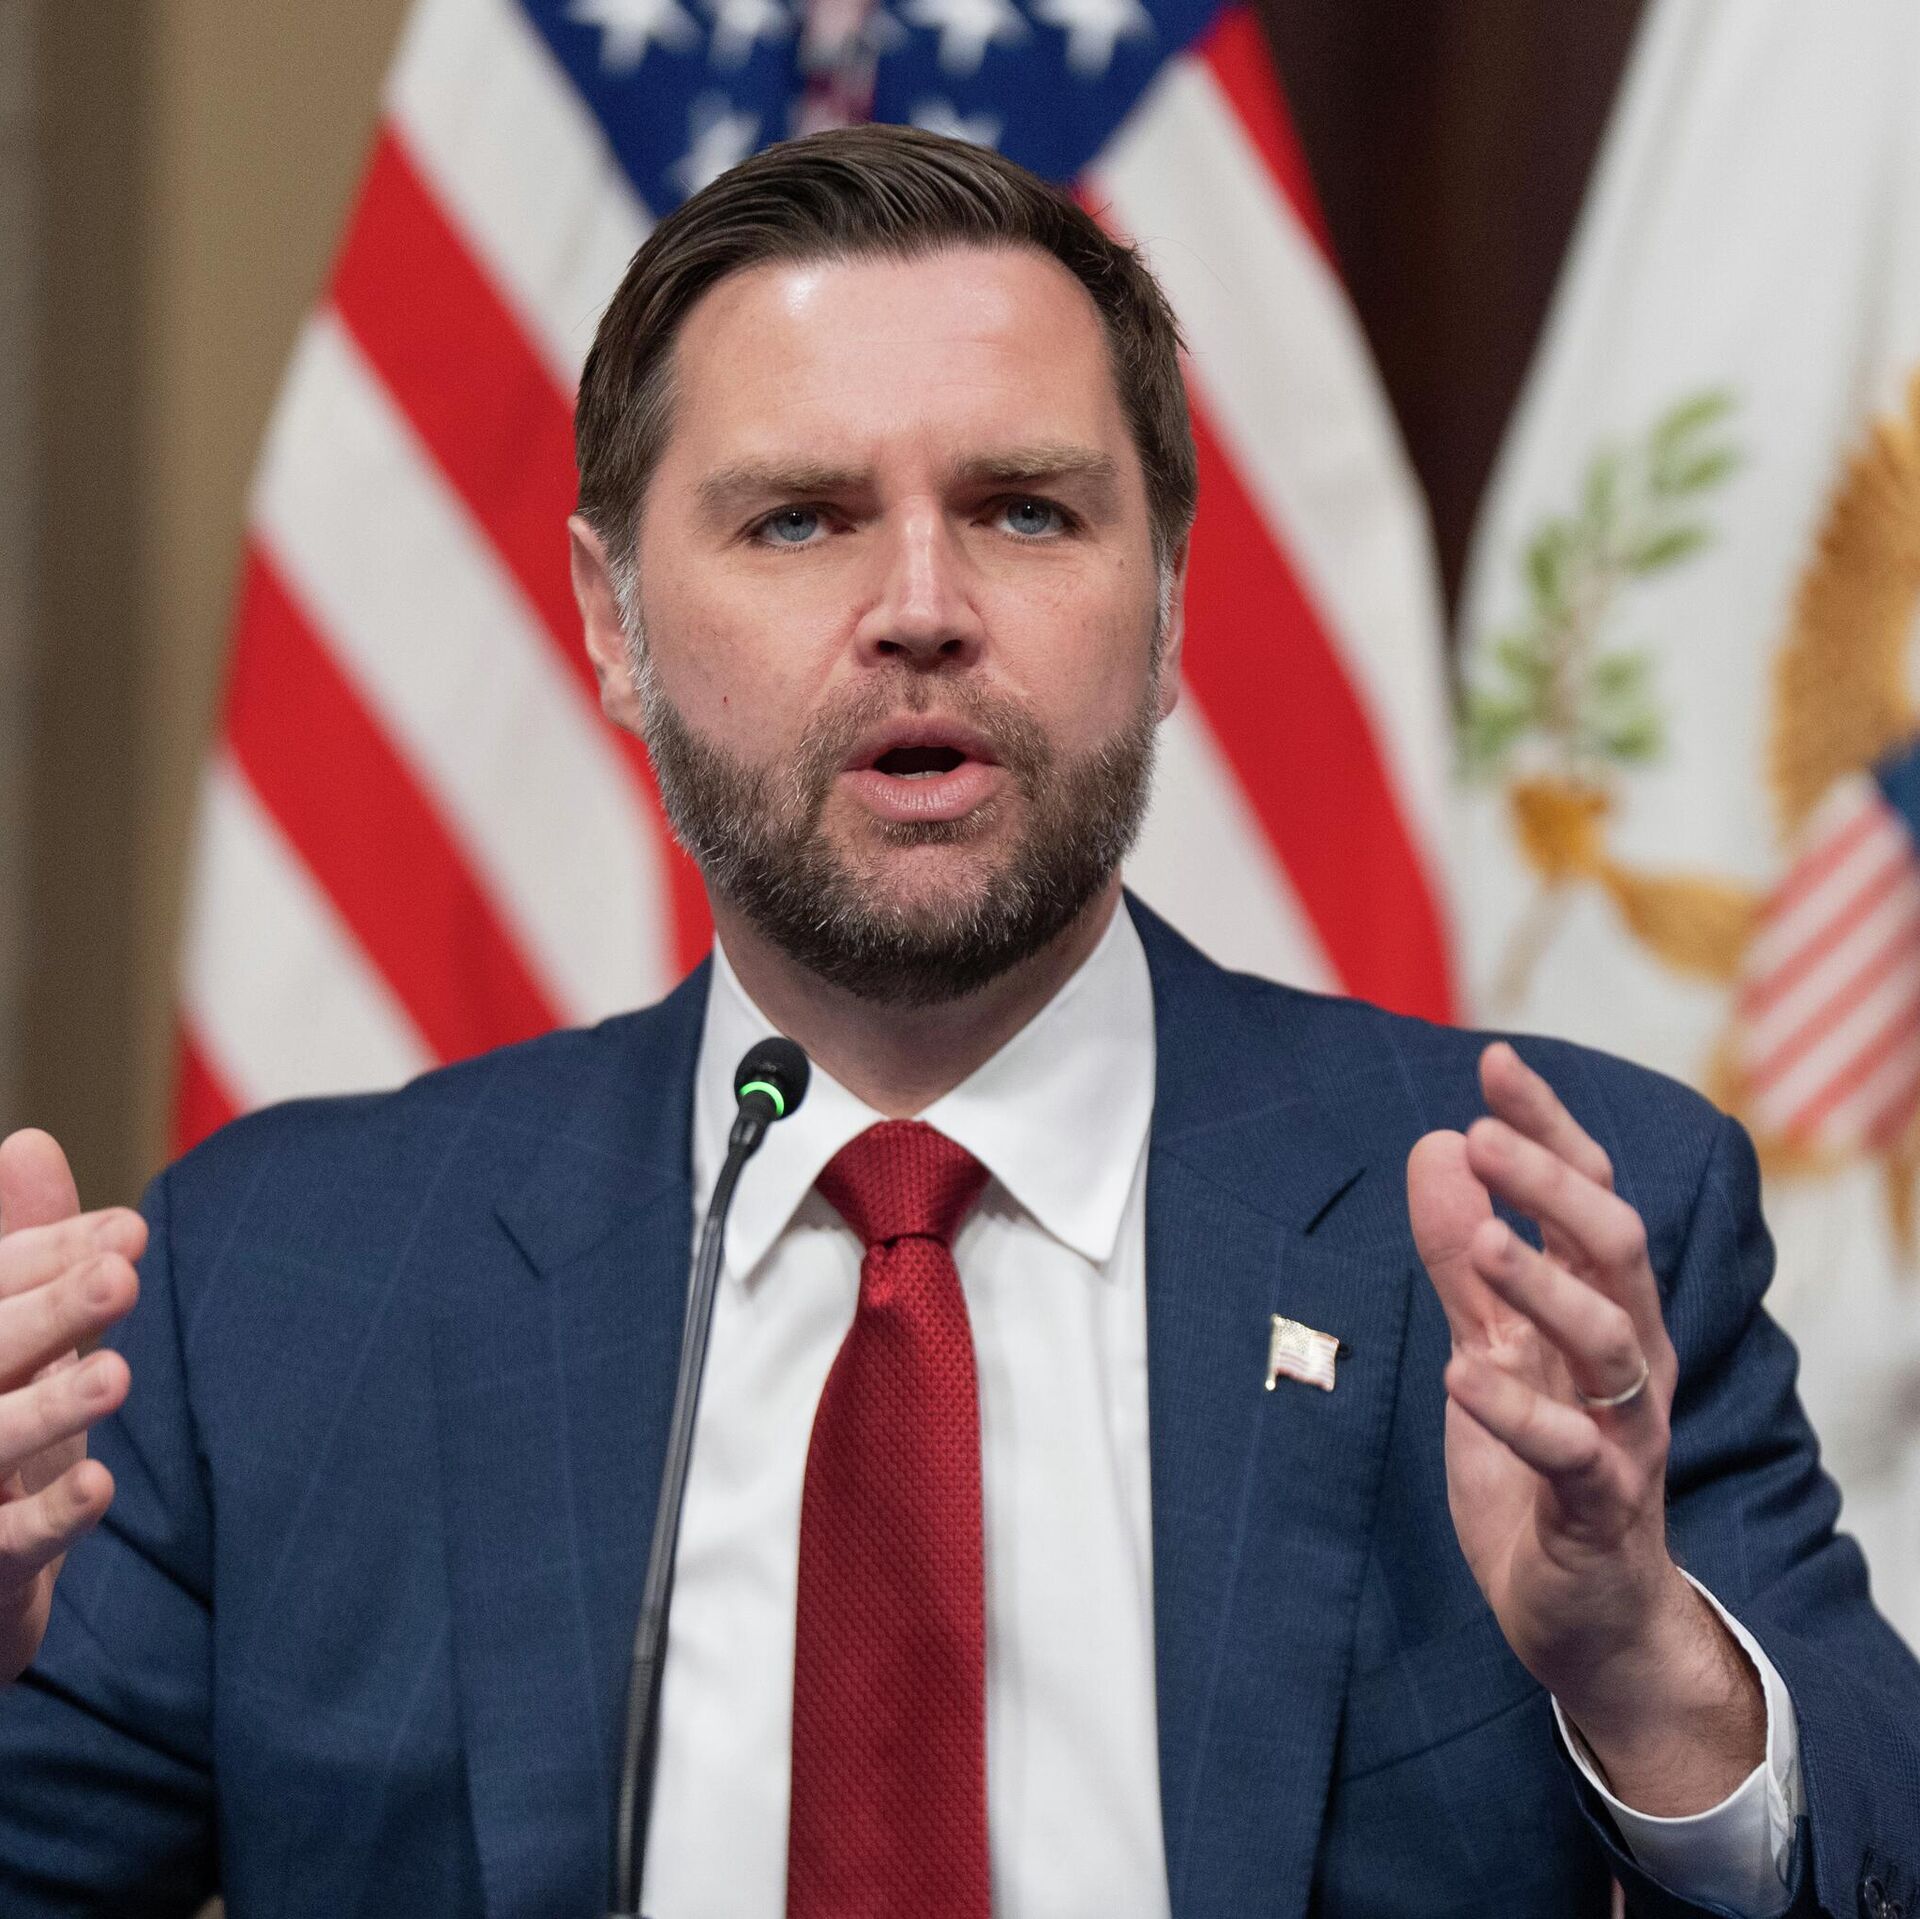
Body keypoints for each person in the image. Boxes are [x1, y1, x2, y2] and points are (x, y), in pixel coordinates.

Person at [0, 125, 1914, 1919]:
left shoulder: (1551, 1238)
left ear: (1168, 606)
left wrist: (1647, 1671)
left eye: (1021, 510)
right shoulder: (281, 1291)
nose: (921, 607)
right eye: (799, 521)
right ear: (611, 622)